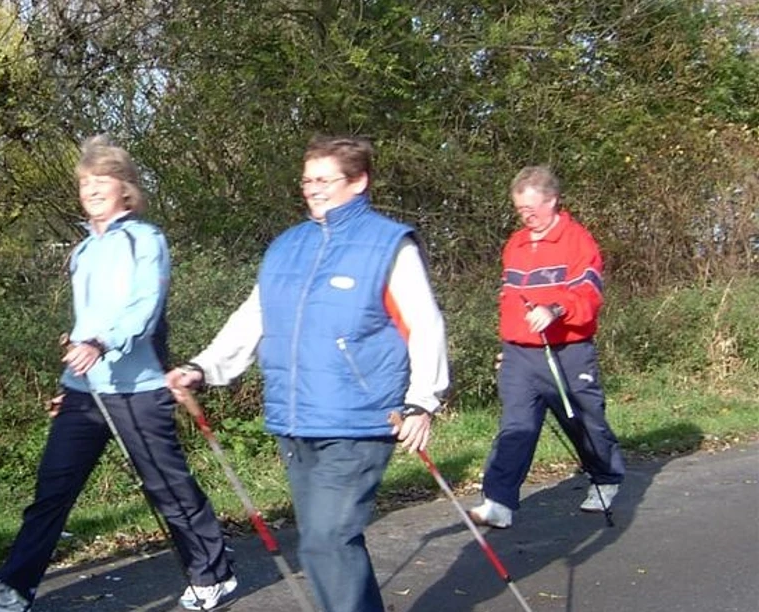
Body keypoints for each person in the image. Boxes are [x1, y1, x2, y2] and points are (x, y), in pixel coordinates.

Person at [166, 135, 450, 612]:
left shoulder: (388, 243)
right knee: (329, 542)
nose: (312, 188)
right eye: (306, 179)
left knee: (327, 540)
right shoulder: (286, 246)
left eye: (324, 179)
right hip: (294, 418)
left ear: (358, 181)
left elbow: (425, 323)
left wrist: (423, 401)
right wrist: (204, 367)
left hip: (361, 418)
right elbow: (254, 315)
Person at [0, 135, 237, 612]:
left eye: (102, 180)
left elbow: (144, 309)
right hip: (83, 391)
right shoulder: (83, 252)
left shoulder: (146, 239)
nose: (91, 189)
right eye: (85, 182)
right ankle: (13, 589)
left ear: (125, 189)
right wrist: (71, 369)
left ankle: (214, 574)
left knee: (166, 488)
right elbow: (83, 324)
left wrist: (101, 343)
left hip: (137, 389)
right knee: (53, 491)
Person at [468, 166, 624, 529]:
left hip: (567, 351)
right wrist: (509, 346)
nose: (526, 217)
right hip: (521, 354)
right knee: (516, 426)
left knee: (584, 421)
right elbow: (510, 301)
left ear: (552, 201)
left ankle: (605, 478)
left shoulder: (577, 241)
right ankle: (499, 501)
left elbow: (589, 295)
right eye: (520, 210)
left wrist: (555, 309)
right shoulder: (516, 244)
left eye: (532, 209)